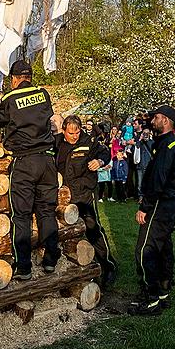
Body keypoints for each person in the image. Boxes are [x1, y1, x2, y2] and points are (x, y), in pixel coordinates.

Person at [0, 60, 60, 280]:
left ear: (14, 79)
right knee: (47, 211)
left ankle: (24, 267)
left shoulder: (10, 99)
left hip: (24, 162)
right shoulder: (43, 94)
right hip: (47, 160)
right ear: (29, 77)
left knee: (22, 215)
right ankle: (50, 261)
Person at [128, 105, 175, 316]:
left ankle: (150, 298)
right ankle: (163, 291)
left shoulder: (168, 146)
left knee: (145, 250)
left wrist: (145, 207)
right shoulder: (173, 145)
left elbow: (157, 180)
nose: (153, 120)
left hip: (160, 205)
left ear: (167, 121)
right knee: (163, 249)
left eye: (157, 117)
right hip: (169, 206)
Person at [56, 114, 117, 287]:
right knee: (65, 233)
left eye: (77, 132)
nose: (74, 136)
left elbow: (105, 152)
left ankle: (108, 266)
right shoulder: (57, 142)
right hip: (64, 197)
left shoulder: (89, 141)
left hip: (84, 194)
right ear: (64, 131)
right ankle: (72, 271)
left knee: (93, 229)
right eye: (70, 133)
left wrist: (99, 161)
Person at [135, 127, 153, 202]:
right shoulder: (140, 142)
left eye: (147, 133)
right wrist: (140, 139)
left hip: (148, 165)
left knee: (148, 183)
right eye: (144, 133)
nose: (146, 135)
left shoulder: (152, 142)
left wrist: (148, 140)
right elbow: (136, 147)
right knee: (140, 183)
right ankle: (140, 197)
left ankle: (147, 197)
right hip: (140, 165)